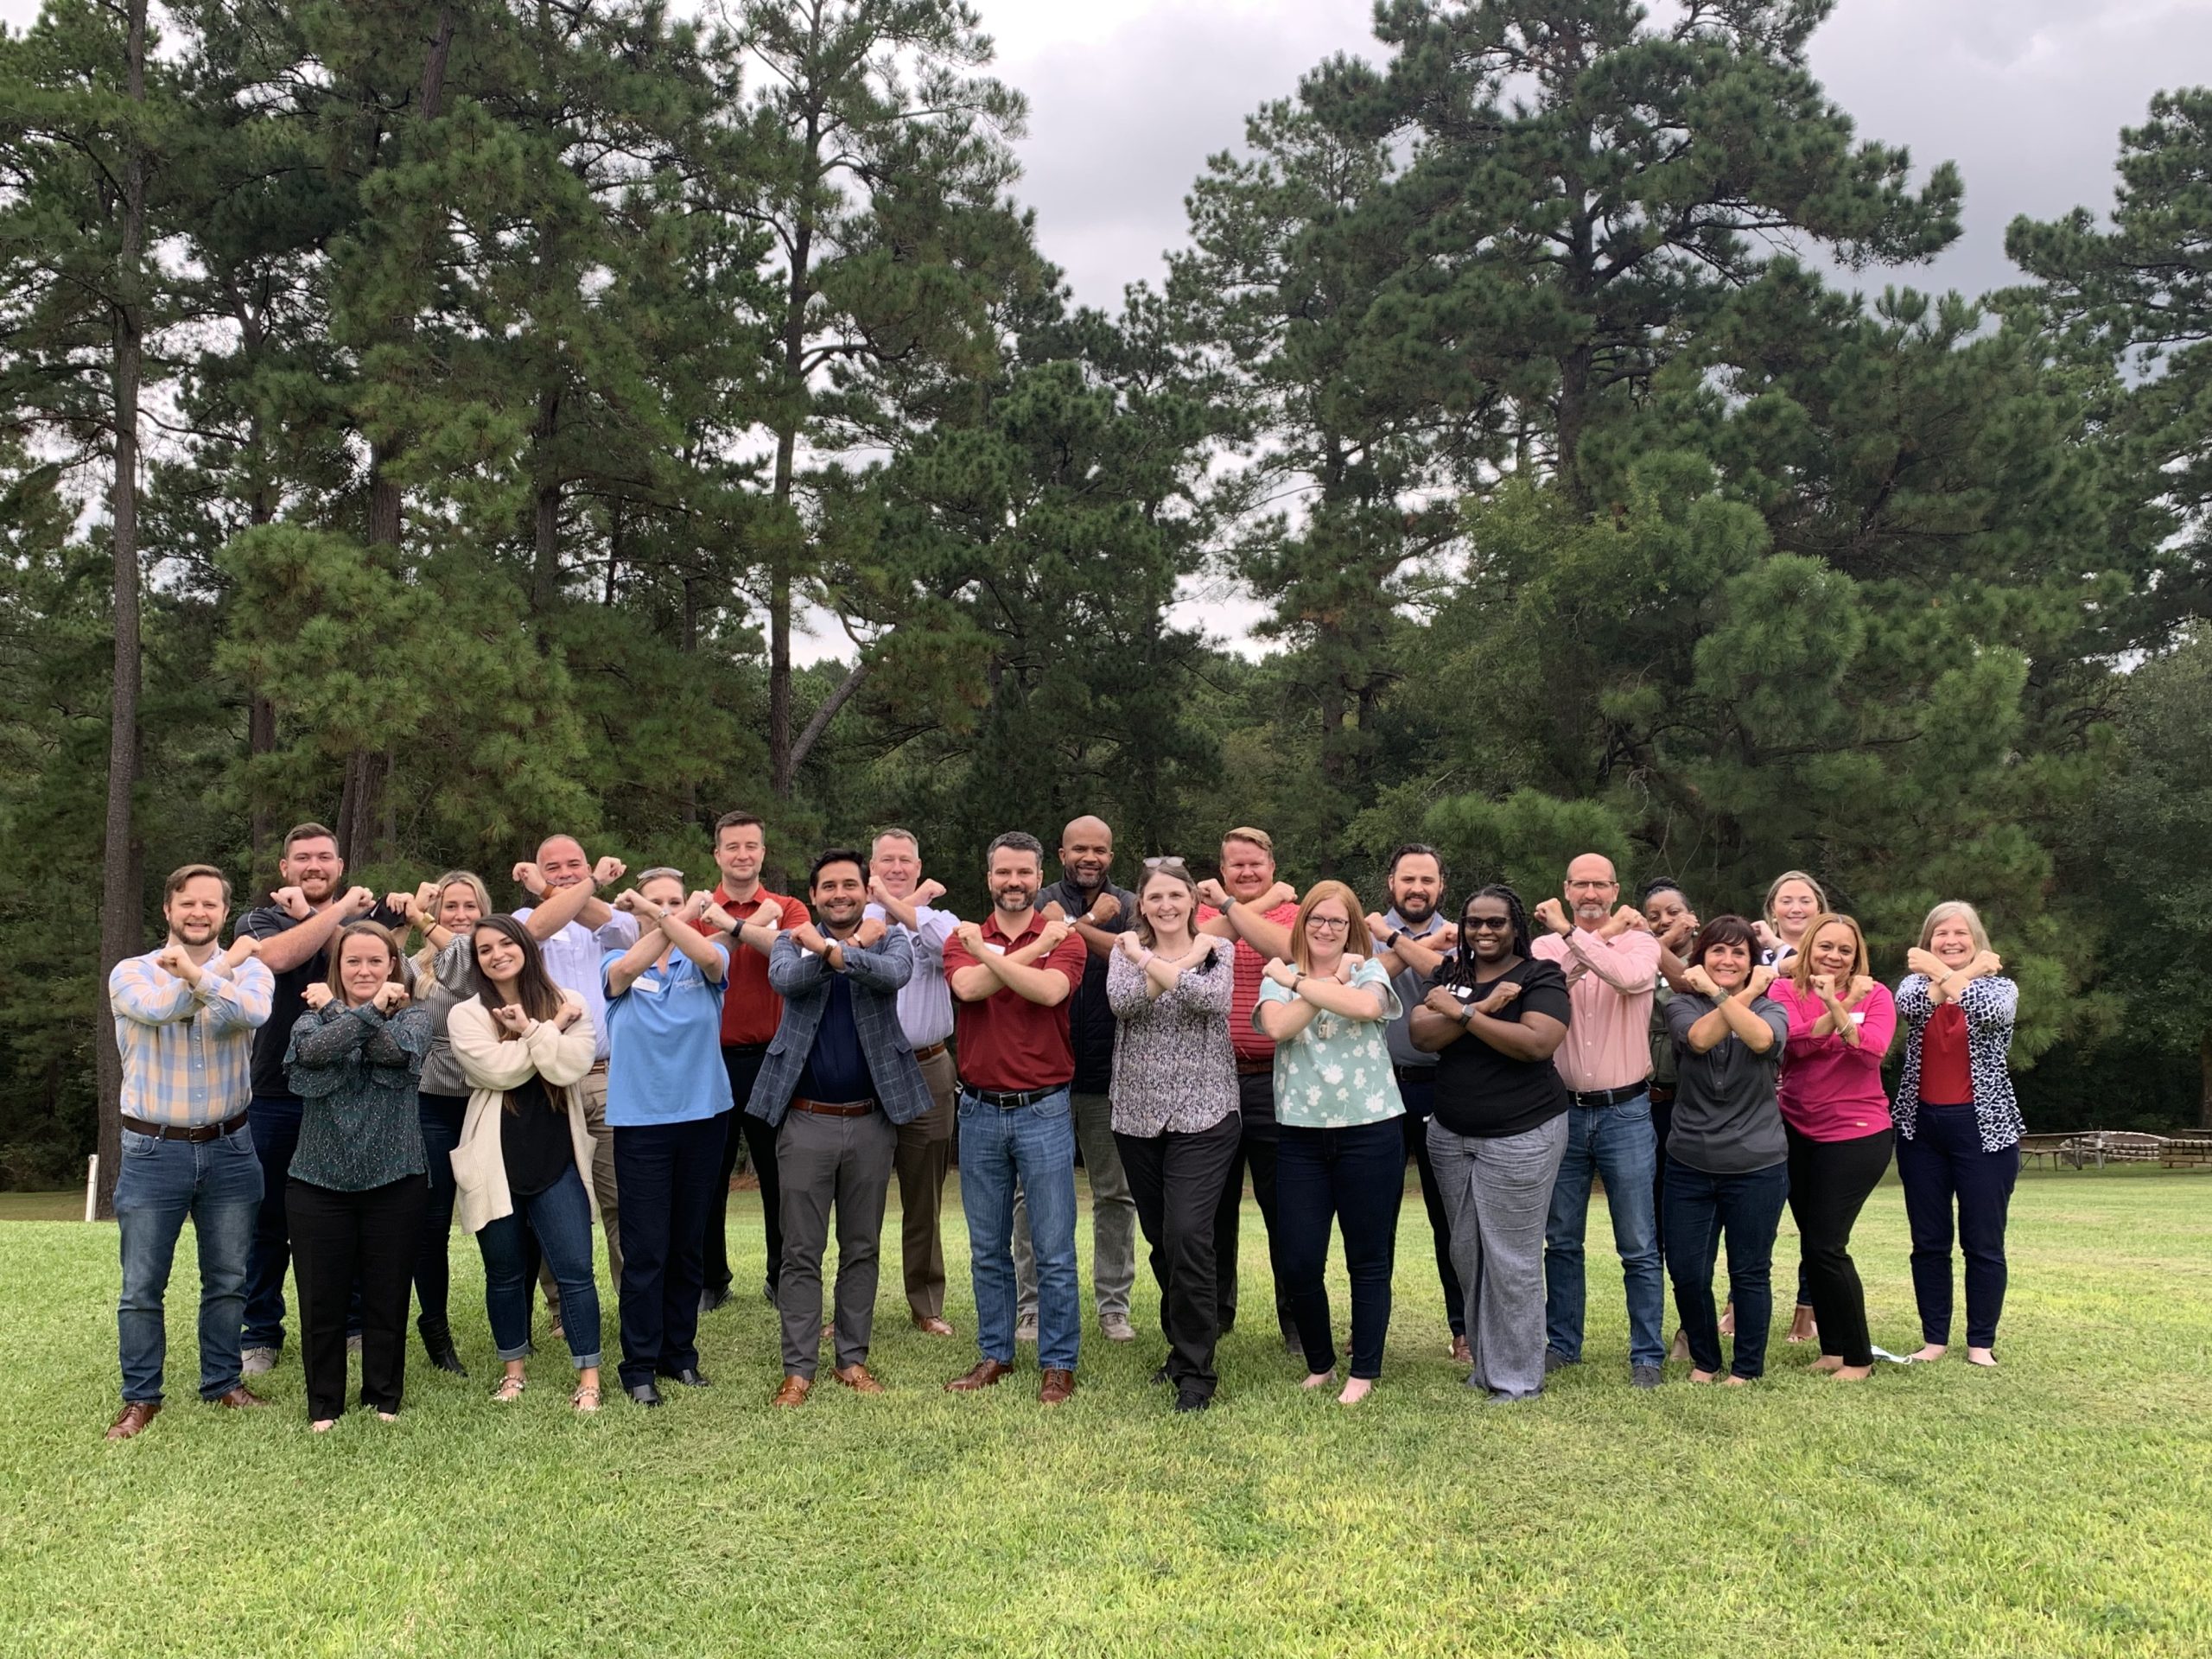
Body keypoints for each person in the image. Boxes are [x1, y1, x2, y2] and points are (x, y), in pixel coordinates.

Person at [749, 849, 933, 1406]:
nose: (839, 894)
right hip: (805, 1120)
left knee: (861, 1247)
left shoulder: (893, 937)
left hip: (872, 1121)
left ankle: (852, 1361)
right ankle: (798, 1369)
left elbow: (894, 975)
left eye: (850, 885)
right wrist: (836, 949)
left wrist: (833, 950)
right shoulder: (788, 940)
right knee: (800, 1252)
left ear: (865, 891)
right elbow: (787, 981)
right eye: (828, 887)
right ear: (814, 895)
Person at [105, 865, 276, 1440]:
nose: (199, 913)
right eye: (188, 903)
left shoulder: (254, 970)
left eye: (210, 904)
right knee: (142, 1285)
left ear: (224, 913)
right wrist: (217, 970)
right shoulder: (131, 972)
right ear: (168, 909)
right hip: (154, 1150)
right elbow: (157, 1008)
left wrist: (206, 975)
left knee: (227, 1279)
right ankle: (141, 1397)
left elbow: (248, 1014)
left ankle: (223, 1381)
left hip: (231, 1148)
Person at [237, 823, 406, 1376]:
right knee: (267, 1219)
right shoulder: (258, 919)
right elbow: (277, 960)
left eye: (325, 858)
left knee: (355, 1208)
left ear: (340, 866)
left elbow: (385, 966)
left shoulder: (371, 921)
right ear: (284, 869)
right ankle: (261, 1332)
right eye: (302, 858)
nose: (314, 866)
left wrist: (326, 916)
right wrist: (332, 915)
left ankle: (354, 1323)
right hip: (275, 1094)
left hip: (354, 1092)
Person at [941, 831, 1090, 1405]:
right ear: (989, 878)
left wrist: (994, 953)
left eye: (1024, 873)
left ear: (1037, 876)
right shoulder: (967, 940)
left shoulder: (1067, 943)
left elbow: (1050, 993)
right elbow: (969, 986)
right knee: (987, 1246)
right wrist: (994, 951)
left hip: (1045, 1109)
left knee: (1053, 1245)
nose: (1013, 882)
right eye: (1003, 873)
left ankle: (1058, 1362)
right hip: (977, 1110)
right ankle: (995, 1354)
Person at [1409, 887, 1573, 1403]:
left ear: (1515, 926)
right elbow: (1419, 1034)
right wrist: (1484, 1006)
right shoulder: (1451, 972)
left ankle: (1518, 1379)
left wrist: (1462, 1015)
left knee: (1513, 1258)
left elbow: (1537, 1044)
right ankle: (1487, 1367)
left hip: (1522, 1133)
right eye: (1475, 922)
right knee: (1468, 1253)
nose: (1484, 931)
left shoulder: (1539, 975)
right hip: (1451, 1135)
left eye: (1496, 922)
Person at [1255, 882, 1407, 1405]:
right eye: (1316, 919)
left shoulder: (1367, 969)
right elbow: (1278, 1027)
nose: (1325, 929)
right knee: (1297, 1259)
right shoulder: (1275, 976)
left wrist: (1299, 979)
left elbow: (1365, 1008)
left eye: (1338, 923)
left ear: (1353, 929)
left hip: (1370, 1131)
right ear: (1302, 925)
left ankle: (1363, 1370)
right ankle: (1321, 1362)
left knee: (1367, 1259)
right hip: (1300, 1135)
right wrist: (1308, 980)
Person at [446, 918, 605, 1413]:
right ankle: (513, 1372)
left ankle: (589, 1377)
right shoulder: (467, 1014)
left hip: (558, 1157)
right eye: (485, 949)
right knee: (504, 1273)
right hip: (496, 1158)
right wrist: (550, 1030)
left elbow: (568, 1068)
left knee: (576, 1269)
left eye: (505, 943)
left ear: (525, 948)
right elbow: (496, 1072)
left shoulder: (569, 998)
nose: (497, 954)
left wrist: (534, 1029)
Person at [281, 921, 432, 1428]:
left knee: (387, 1295)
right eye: (353, 962)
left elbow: (391, 1052)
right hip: (317, 1181)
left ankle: (383, 1398)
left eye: (375, 961)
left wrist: (336, 1011)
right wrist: (359, 1013)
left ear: (393, 966)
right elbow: (316, 1052)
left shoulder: (416, 1019)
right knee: (320, 1298)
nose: (364, 969)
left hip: (396, 1178)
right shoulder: (307, 1023)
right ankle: (324, 1405)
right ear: (338, 968)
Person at [1106, 858, 1241, 1412]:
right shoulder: (1122, 952)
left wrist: (1152, 962)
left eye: (1175, 896)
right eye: (1154, 897)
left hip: (1205, 1112)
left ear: (1192, 901)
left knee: (1189, 1233)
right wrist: (1148, 958)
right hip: (1136, 1113)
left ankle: (1196, 1372)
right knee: (1164, 1238)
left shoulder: (1221, 950)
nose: (1165, 906)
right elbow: (1125, 1004)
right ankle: (1180, 1347)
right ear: (1143, 904)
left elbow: (1210, 1002)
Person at [600, 870, 735, 1406]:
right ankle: (638, 1366)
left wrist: (666, 918)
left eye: (675, 902)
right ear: (633, 914)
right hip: (641, 1125)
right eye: (653, 903)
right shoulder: (616, 965)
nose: (664, 909)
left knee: (686, 1248)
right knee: (646, 1250)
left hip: (705, 1118)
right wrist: (671, 917)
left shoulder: (703, 961)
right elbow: (630, 967)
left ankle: (680, 1356)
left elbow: (708, 958)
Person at [1533, 855, 1668, 1389]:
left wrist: (1579, 936)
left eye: (1600, 884)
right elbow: (1545, 985)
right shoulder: (1544, 947)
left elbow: (1630, 977)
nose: (1590, 892)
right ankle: (1563, 1345)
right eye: (1580, 883)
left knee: (1637, 1240)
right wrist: (1591, 937)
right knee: (1561, 1239)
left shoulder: (1641, 943)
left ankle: (1647, 1355)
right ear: (1567, 888)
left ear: (1614, 890)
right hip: (1560, 1108)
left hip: (1627, 1110)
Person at [1018, 815, 1139, 1344]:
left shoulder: (1133, 906)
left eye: (1101, 851)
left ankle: (1113, 1306)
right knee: (1032, 1197)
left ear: (1112, 855)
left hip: (1112, 1074)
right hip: (1043, 1074)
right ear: (1061, 853)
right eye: (1080, 850)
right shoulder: (1033, 897)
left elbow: (1133, 958)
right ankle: (1032, 1306)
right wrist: (1089, 919)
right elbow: (1025, 959)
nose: (1091, 858)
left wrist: (1077, 921)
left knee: (1115, 1194)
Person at [1661, 916, 1790, 1384]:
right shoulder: (1681, 1006)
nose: (1728, 960)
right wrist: (1736, 995)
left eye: (1739, 952)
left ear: (1753, 962)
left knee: (1750, 1271)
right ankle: (1705, 1360)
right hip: (1690, 1161)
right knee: (1687, 1270)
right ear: (1702, 958)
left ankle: (1747, 1368)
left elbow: (1761, 1040)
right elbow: (1698, 1040)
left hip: (1757, 1162)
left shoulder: (1773, 1009)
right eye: (1718, 950)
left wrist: (1734, 995)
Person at [511, 836, 639, 1309]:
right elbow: (540, 925)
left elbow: (625, 932)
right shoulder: (524, 921)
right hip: (544, 1080)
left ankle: (634, 1301)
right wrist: (582, 885)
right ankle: (562, 1305)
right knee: (552, 1197)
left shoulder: (613, 919)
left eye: (574, 865)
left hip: (607, 1077)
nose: (565, 873)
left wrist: (571, 888)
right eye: (553, 867)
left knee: (620, 1198)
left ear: (587, 866)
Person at [1770, 912, 1897, 1382]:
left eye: (1845, 949)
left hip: (1857, 1132)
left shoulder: (1876, 994)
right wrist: (1835, 1017)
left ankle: (1858, 1358)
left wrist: (1841, 1011)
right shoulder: (1785, 991)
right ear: (1808, 948)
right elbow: (1789, 1047)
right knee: (1813, 1244)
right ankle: (1832, 1349)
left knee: (1828, 1244)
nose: (1834, 956)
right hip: (1796, 1130)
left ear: (1856, 955)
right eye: (1825, 946)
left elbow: (1871, 1051)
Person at [690, 811, 809, 1313]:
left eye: (751, 846)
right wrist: (727, 925)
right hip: (707, 1058)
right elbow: (690, 958)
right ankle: (710, 1278)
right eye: (732, 846)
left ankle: (781, 1276)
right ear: (717, 854)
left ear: (763, 853)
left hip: (773, 1057)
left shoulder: (789, 906)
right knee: (707, 1174)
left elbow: (798, 953)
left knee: (780, 1173)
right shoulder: (694, 908)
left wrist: (738, 925)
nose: (742, 854)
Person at [1896, 901, 2021, 1366]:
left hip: (1985, 1131)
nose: (1949, 941)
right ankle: (1934, 1339)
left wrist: (1952, 973)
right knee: (1928, 1241)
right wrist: (1958, 972)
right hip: (1921, 1129)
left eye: (1960, 934)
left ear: (1976, 938)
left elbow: (1987, 1011)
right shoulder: (1914, 985)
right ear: (1928, 940)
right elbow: (1909, 1005)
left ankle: (1980, 1343)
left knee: (1983, 1242)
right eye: (1939, 935)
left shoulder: (2002, 988)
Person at [1196, 827, 1300, 1349]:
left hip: (1277, 1081)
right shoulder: (1197, 914)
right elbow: (1200, 946)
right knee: (1211, 1207)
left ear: (1272, 865)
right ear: (1221, 867)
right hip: (1211, 1080)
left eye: (1255, 864)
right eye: (1235, 865)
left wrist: (1240, 906)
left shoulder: (1297, 915)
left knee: (1287, 1207)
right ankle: (1214, 1316)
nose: (1246, 872)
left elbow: (1283, 950)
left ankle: (1298, 1322)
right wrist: (1247, 905)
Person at [1365, 843, 1468, 1363]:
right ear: (1391, 882)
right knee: (1374, 1216)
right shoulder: (1360, 932)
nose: (1417, 888)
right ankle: (1371, 1332)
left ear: (1441, 886)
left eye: (1427, 880)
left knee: (1450, 1214)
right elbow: (1363, 977)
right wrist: (1400, 939)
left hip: (1442, 1085)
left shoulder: (1467, 935)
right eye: (1408, 879)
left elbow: (1448, 976)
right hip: (1378, 1087)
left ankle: (1464, 1329)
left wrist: (1402, 939)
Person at [393, 870, 493, 1377]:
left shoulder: (489, 958)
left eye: (468, 907)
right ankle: (435, 1328)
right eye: (449, 905)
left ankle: (512, 1325)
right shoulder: (416, 966)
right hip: (430, 1102)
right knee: (431, 1222)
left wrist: (423, 914)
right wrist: (404, 922)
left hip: (486, 1100)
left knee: (499, 1216)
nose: (459, 915)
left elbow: (464, 971)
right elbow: (383, 972)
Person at [865, 828, 960, 1336]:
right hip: (863, 1071)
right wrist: (880, 906)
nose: (896, 868)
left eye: (905, 860)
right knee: (859, 1194)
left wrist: (910, 906)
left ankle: (925, 1303)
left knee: (924, 1193)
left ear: (918, 867)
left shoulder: (940, 920)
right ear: (871, 866)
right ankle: (852, 1306)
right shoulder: (854, 920)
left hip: (927, 1066)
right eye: (886, 860)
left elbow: (950, 949)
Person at [1756, 867, 1827, 1343]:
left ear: (1819, 909)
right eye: (1786, 900)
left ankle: (1807, 1307)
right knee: (1755, 1213)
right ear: (1772, 908)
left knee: (1815, 1214)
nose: (1796, 908)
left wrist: (1781, 962)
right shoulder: (1750, 951)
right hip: (1758, 1101)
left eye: (1805, 900)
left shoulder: (1835, 952)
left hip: (1816, 1099)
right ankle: (1740, 1302)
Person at [1641, 879, 1701, 1359]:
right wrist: (1652, 942)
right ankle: (1651, 1332)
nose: (1664, 921)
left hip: (1692, 1106)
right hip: (1644, 1105)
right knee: (1650, 1227)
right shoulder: (1635, 962)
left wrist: (1652, 944)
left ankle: (1690, 1326)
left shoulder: (1710, 964)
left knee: (1689, 1224)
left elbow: (1689, 984)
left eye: (1674, 911)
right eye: (1653, 915)